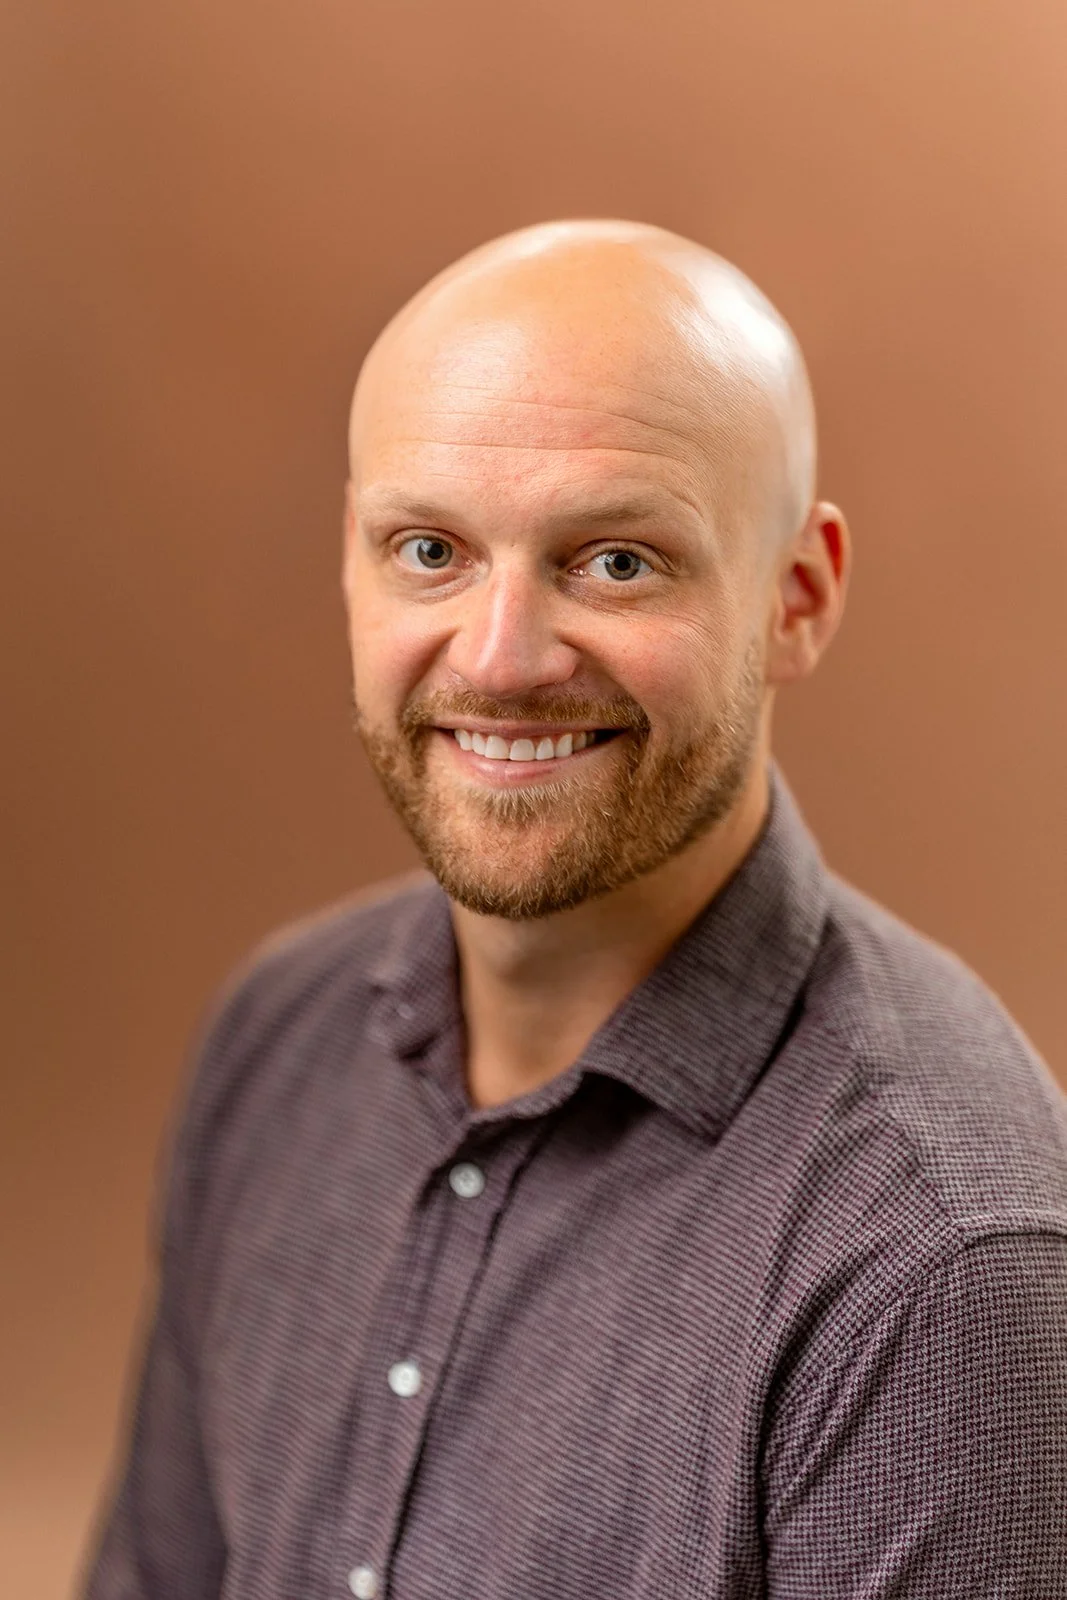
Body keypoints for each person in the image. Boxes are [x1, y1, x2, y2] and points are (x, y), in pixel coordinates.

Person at [82, 219, 1067, 1600]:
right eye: (430, 549)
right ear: (352, 567)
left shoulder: (941, 1263)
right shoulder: (274, 1038)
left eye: (615, 562)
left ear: (797, 596)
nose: (500, 657)